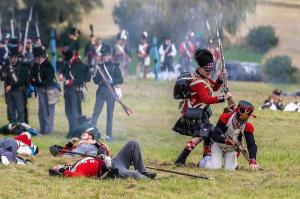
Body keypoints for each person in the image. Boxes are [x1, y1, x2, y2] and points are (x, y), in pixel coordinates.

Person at [173, 48, 231, 166]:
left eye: (210, 70)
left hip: (201, 113)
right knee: (201, 135)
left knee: (209, 133)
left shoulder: (203, 77)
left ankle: (206, 159)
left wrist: (220, 79)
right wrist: (223, 98)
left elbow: (213, 88)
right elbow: (206, 99)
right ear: (200, 67)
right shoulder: (198, 82)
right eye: (207, 70)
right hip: (194, 114)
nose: (209, 72)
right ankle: (180, 159)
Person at [199, 100, 260, 171]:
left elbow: (251, 144)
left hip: (231, 149)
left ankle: (233, 164)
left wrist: (253, 160)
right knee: (215, 167)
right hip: (218, 145)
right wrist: (225, 140)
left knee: (229, 170)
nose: (241, 122)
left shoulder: (248, 126)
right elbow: (214, 135)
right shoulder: (225, 118)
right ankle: (204, 160)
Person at [49, 140, 156, 179]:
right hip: (112, 170)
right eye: (55, 168)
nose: (56, 165)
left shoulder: (75, 164)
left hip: (113, 161)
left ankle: (143, 171)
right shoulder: (74, 171)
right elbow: (76, 176)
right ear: (59, 172)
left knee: (133, 143)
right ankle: (145, 179)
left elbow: (105, 151)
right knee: (135, 175)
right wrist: (61, 171)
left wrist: (101, 152)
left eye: (56, 166)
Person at [91, 44, 123, 141]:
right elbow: (96, 81)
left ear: (109, 56)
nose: (103, 57)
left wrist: (112, 81)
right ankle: (92, 133)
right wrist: (94, 73)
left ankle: (109, 135)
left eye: (105, 55)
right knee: (96, 112)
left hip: (111, 92)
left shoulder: (115, 67)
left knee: (109, 114)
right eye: (103, 55)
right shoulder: (99, 67)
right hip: (101, 91)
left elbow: (120, 79)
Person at [59, 45, 90, 132]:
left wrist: (69, 82)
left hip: (77, 91)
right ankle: (71, 130)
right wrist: (61, 74)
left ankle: (77, 131)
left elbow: (81, 79)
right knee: (68, 112)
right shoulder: (68, 63)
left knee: (76, 113)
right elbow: (64, 69)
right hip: (68, 91)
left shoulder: (81, 65)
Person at [31, 46, 57, 134]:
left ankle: (48, 130)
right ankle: (43, 129)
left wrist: (37, 82)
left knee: (49, 111)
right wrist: (35, 82)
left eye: (37, 58)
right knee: (41, 111)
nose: (36, 60)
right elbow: (33, 76)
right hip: (41, 90)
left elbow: (49, 80)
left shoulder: (48, 66)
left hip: (50, 90)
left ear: (40, 57)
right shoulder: (36, 66)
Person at [3, 39, 30, 123]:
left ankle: (21, 126)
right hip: (9, 91)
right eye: (10, 57)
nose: (11, 59)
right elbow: (5, 78)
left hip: (19, 90)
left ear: (17, 57)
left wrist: (11, 86)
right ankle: (12, 125)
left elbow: (22, 81)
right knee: (11, 110)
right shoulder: (8, 66)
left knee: (20, 110)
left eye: (13, 57)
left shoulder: (23, 66)